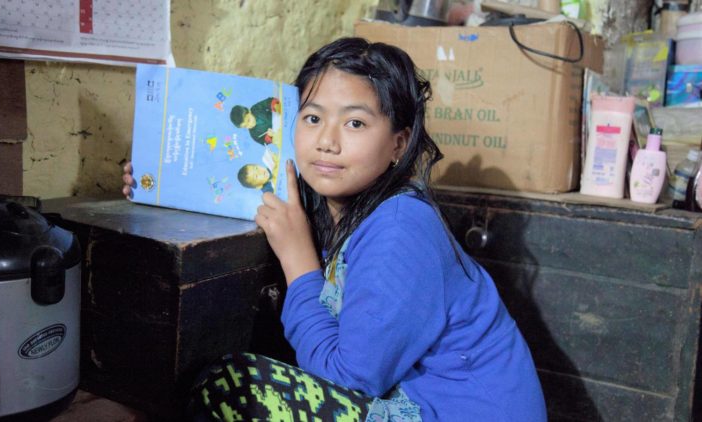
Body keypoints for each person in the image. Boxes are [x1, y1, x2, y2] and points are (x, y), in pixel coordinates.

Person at [124, 37, 546, 421]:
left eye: (355, 123)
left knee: (234, 387)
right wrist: (154, 176)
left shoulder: (401, 227)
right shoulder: (333, 202)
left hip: (451, 412)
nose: (327, 141)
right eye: (312, 118)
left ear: (399, 144)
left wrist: (299, 263)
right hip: (421, 404)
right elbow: (227, 181)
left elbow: (350, 382)